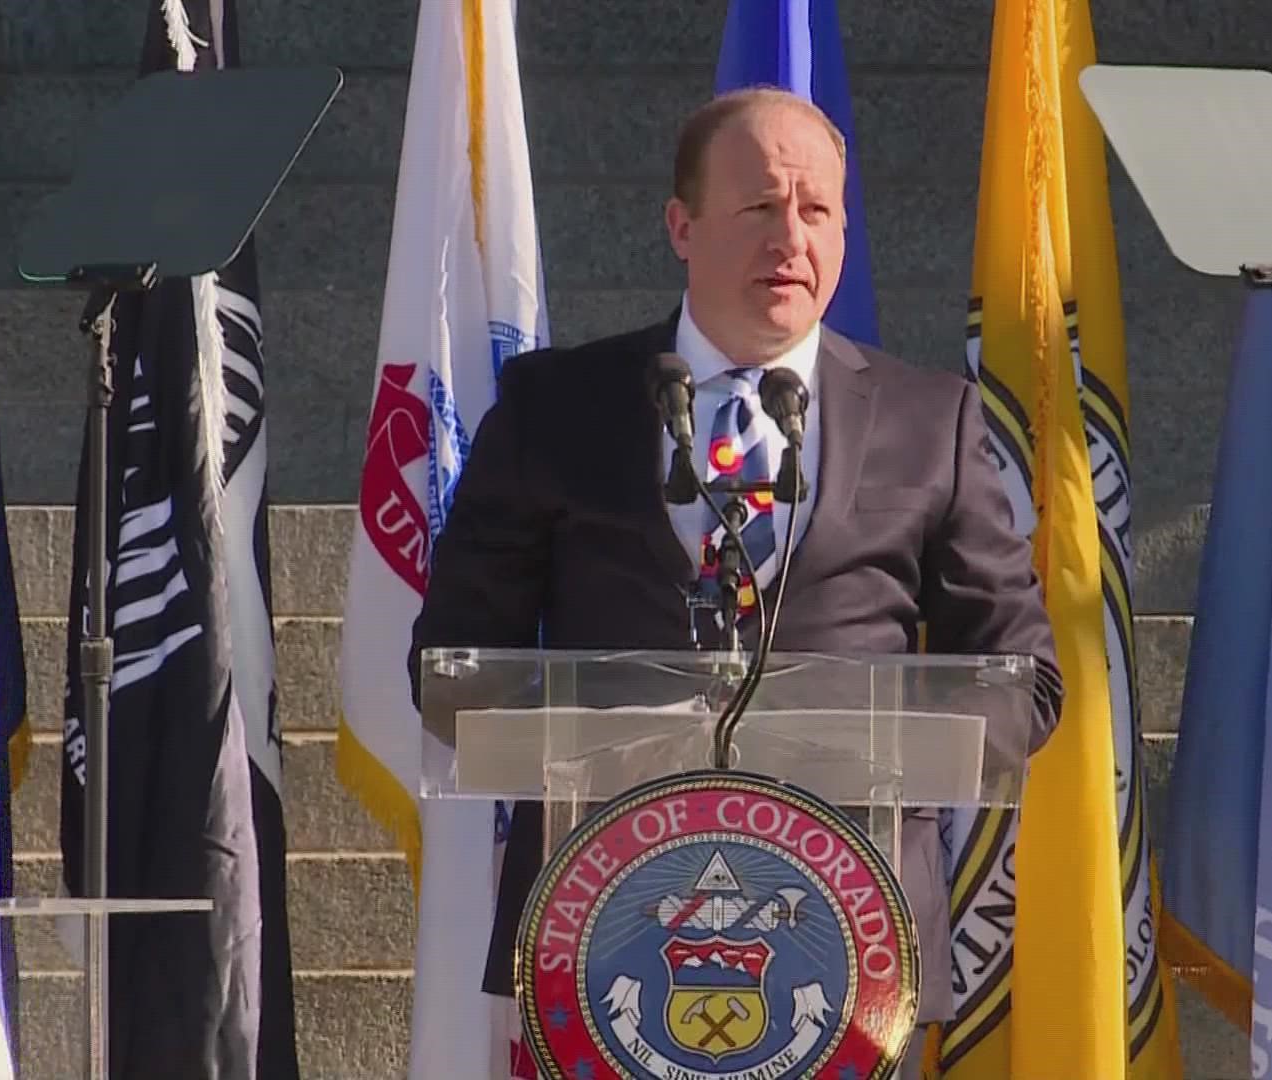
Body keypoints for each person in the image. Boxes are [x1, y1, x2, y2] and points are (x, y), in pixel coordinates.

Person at [409, 86, 1064, 1067]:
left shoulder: (936, 422)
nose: (790, 239)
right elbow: (455, 669)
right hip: (609, 926)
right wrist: (634, 736)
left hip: (849, 931)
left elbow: (1026, 684)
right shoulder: (557, 407)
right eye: (759, 207)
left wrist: (855, 739)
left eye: (816, 212)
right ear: (682, 224)